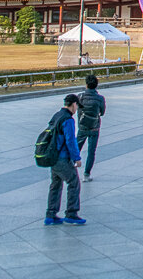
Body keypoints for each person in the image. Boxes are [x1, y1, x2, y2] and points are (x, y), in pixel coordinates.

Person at [45, 94, 86, 225]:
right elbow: (70, 140)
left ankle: (50, 215)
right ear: (74, 104)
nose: (77, 110)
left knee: (55, 185)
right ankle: (71, 213)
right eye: (77, 106)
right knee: (74, 182)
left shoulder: (57, 115)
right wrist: (77, 158)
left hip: (53, 157)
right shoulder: (68, 120)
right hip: (62, 158)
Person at [76, 75, 106, 182]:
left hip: (82, 127)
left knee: (76, 149)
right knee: (91, 151)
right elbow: (102, 113)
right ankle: (86, 174)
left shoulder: (80, 97)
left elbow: (77, 110)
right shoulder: (100, 98)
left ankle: (71, 169)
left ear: (86, 84)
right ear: (96, 85)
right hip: (94, 128)